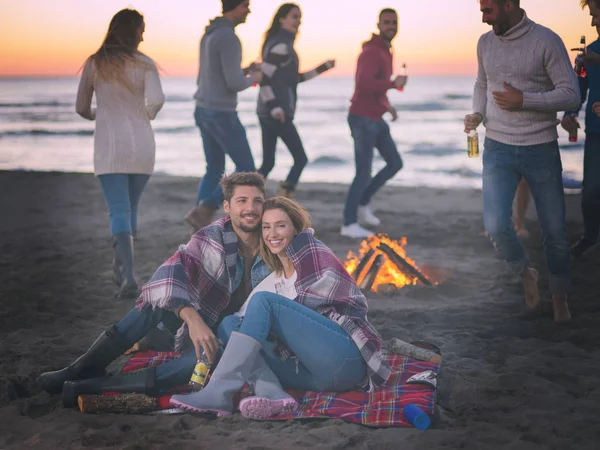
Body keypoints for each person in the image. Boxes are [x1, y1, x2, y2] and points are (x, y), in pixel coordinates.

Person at [36, 173, 273, 407]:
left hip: (233, 333)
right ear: (227, 207)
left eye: (257, 201)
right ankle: (82, 368)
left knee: (202, 361)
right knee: (153, 303)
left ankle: (91, 386)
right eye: (241, 200)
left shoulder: (275, 240)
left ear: (265, 205)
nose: (250, 208)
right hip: (200, 319)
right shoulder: (211, 237)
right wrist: (192, 319)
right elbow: (167, 274)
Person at [170, 197, 391, 420]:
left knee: (265, 302)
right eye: (266, 227)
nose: (272, 234)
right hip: (313, 377)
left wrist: (277, 323)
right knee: (229, 324)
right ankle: (272, 393)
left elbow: (342, 308)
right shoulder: (273, 280)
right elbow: (243, 326)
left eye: (280, 225)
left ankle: (218, 392)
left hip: (344, 361)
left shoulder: (314, 254)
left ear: (296, 229)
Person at [464, 0, 580, 323]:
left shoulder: (546, 41)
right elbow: (482, 83)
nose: (484, 18)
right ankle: (525, 272)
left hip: (540, 147)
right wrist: (478, 113)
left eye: (489, 11)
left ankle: (559, 298)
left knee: (555, 231)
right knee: (496, 226)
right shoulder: (485, 43)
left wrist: (524, 100)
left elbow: (571, 94)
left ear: (510, 4)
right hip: (497, 147)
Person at [75, 8, 165, 299]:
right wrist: (145, 114)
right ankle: (122, 268)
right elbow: (157, 100)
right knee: (131, 208)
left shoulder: (95, 63)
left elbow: (81, 107)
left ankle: (127, 274)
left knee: (119, 209)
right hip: (142, 146)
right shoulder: (145, 63)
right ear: (132, 31)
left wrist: (98, 116)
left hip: (110, 148)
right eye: (141, 28)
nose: (144, 34)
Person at [184, 0, 263, 234]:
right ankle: (206, 208)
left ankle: (199, 222)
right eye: (245, 5)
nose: (248, 10)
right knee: (248, 170)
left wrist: (245, 70)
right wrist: (255, 77)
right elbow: (234, 83)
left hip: (203, 109)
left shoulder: (210, 34)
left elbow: (218, 74)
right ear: (234, 6)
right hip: (221, 113)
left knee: (214, 168)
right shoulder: (229, 37)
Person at [257, 3, 335, 198]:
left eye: (299, 18)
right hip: (276, 113)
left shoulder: (281, 44)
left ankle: (246, 196)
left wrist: (322, 68)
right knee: (300, 159)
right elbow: (264, 78)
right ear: (282, 19)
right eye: (294, 17)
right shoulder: (281, 45)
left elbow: (295, 79)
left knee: (268, 163)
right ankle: (283, 196)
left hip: (269, 112)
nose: (298, 21)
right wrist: (275, 107)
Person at [341, 8, 406, 239]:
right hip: (362, 118)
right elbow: (364, 83)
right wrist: (393, 84)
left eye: (394, 22)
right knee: (363, 172)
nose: (391, 26)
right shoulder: (371, 52)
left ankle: (363, 203)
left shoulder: (386, 51)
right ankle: (349, 223)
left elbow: (375, 87)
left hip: (375, 117)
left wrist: (388, 105)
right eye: (386, 22)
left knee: (395, 163)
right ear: (379, 25)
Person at [561, 0, 600, 258]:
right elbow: (580, 90)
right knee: (590, 194)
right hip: (596, 133)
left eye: (596, 15)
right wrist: (570, 114)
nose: (593, 22)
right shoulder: (591, 52)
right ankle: (590, 237)